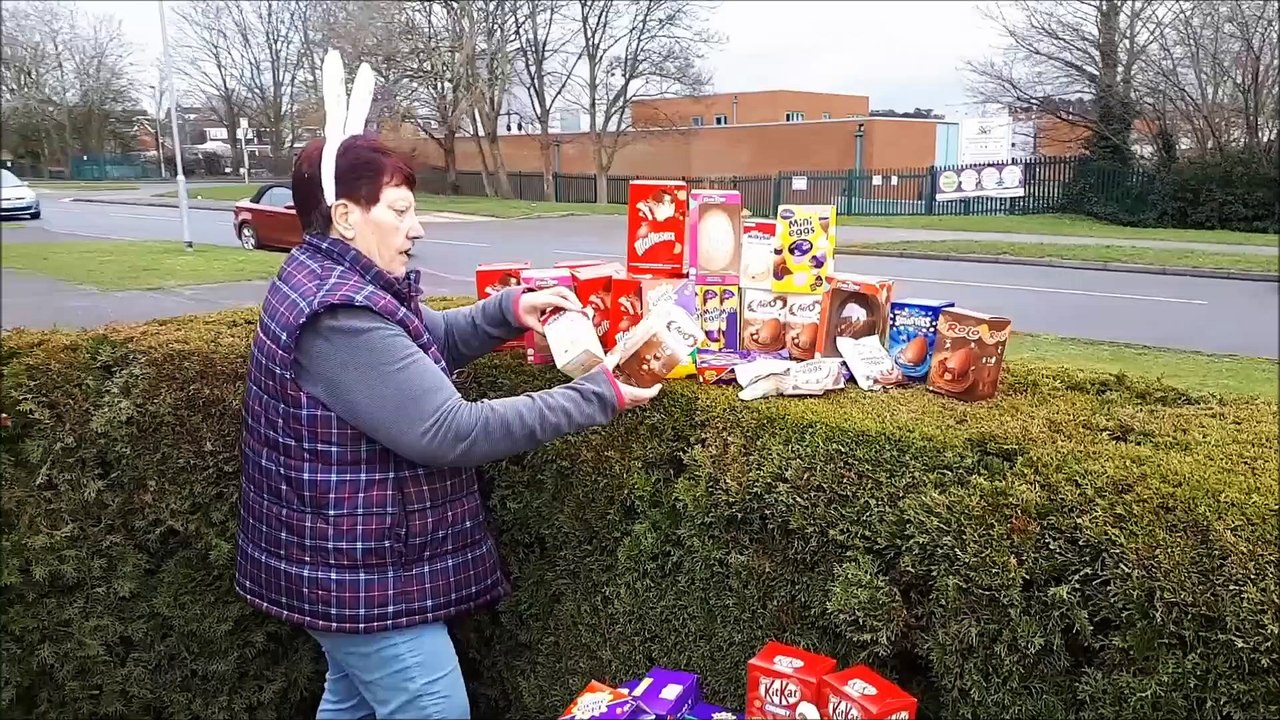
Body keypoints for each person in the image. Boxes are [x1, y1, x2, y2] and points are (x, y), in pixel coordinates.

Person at [235, 128, 660, 720]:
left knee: (352, 702)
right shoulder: (339, 315)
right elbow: (449, 430)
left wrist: (508, 311)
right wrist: (596, 395)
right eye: (401, 210)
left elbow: (420, 344)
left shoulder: (333, 280)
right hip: (360, 573)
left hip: (345, 563)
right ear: (346, 216)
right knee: (434, 707)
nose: (418, 227)